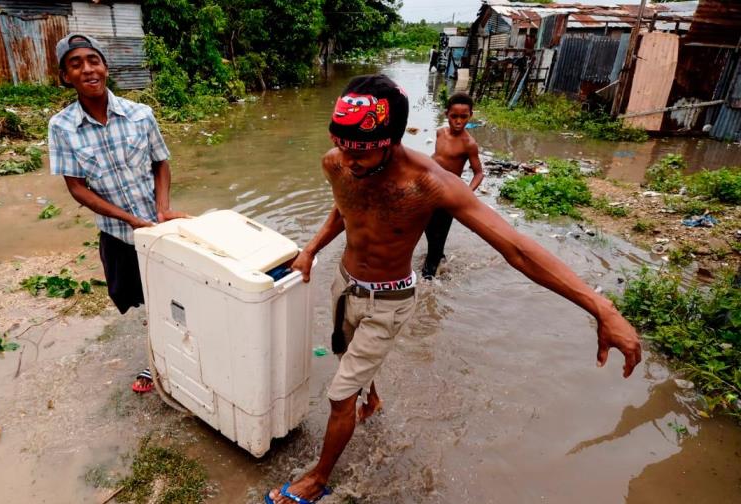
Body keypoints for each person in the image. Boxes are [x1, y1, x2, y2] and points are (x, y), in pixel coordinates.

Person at [265, 74, 642, 504]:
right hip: (345, 286)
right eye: (343, 146)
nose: (349, 160)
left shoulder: (431, 183)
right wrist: (310, 250)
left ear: (391, 139)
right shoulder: (337, 162)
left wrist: (600, 306)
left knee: (338, 396)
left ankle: (317, 479)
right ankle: (372, 399)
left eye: (363, 149)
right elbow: (345, 208)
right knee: (347, 359)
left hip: (389, 301)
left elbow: (517, 249)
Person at [47, 34, 186, 390]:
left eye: (93, 60)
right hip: (119, 234)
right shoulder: (61, 127)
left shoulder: (142, 115)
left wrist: (163, 209)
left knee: (175, 296)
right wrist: (129, 220)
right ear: (65, 76)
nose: (87, 69)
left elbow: (161, 163)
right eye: (75, 64)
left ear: (105, 67)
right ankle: (158, 358)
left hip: (158, 228)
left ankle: (165, 360)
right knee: (138, 298)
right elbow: (77, 188)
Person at [422, 92, 484, 279]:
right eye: (454, 116)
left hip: (449, 195)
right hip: (429, 189)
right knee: (427, 228)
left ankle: (428, 280)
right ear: (446, 114)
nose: (458, 121)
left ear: (470, 116)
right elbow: (437, 158)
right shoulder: (440, 132)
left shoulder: (469, 144)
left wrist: (466, 192)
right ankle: (438, 258)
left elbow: (479, 173)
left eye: (463, 117)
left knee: (439, 235)